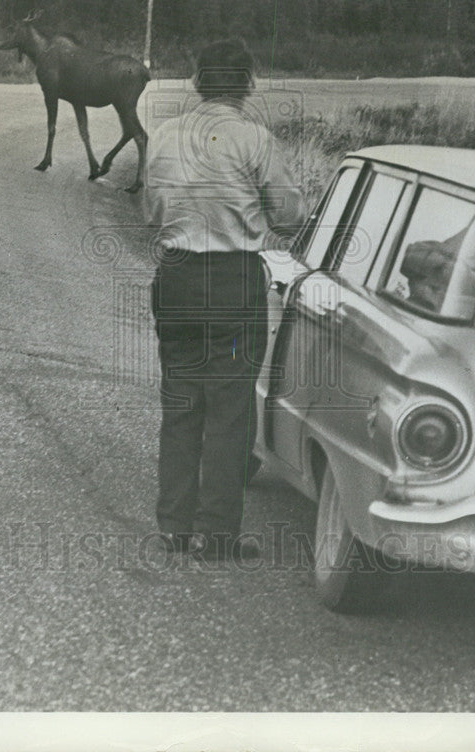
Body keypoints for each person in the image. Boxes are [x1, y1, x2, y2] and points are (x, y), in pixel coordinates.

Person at [143, 39, 306, 562]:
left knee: (181, 399)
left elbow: (151, 212)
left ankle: (173, 525)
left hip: (176, 276)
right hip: (233, 281)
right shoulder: (255, 140)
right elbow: (289, 217)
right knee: (231, 410)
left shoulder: (166, 134)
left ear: (196, 81)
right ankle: (216, 535)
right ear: (247, 83)